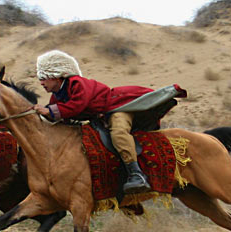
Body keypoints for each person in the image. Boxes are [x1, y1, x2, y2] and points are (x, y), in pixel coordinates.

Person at [33, 50, 161, 194]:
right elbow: (60, 114)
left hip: (117, 107)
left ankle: (136, 174)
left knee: (118, 133)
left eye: (44, 77)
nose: (41, 82)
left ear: (57, 76)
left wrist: (49, 111)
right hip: (101, 118)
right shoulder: (57, 95)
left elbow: (76, 105)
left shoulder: (77, 83)